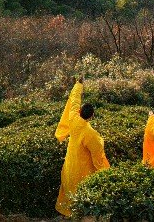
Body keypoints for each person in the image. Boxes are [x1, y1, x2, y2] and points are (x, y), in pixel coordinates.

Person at [55, 77, 110, 217]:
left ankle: (67, 214)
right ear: (92, 116)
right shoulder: (90, 133)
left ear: (79, 111)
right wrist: (104, 171)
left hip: (70, 162)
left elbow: (74, 100)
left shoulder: (73, 118)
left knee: (69, 188)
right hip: (83, 168)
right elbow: (98, 153)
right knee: (81, 193)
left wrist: (78, 84)